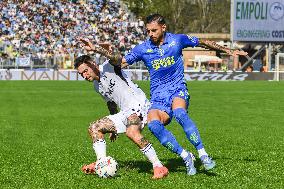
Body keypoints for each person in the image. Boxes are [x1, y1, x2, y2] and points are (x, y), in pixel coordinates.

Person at [78, 13, 247, 175]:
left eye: (154, 30)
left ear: (163, 27)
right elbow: (120, 62)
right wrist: (97, 49)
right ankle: (185, 156)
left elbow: (202, 42)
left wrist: (229, 51)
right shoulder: (143, 48)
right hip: (158, 97)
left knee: (180, 114)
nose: (150, 34)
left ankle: (202, 154)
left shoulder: (177, 40)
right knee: (152, 126)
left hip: (174, 91)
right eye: (148, 31)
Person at [74, 54, 168, 179]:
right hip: (125, 112)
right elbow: (111, 103)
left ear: (93, 63)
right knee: (94, 127)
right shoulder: (97, 86)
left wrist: (98, 49)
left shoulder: (109, 67)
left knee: (131, 132)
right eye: (81, 74)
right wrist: (113, 128)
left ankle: (158, 166)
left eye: (85, 71)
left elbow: (116, 58)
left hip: (139, 106)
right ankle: (101, 162)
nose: (84, 76)